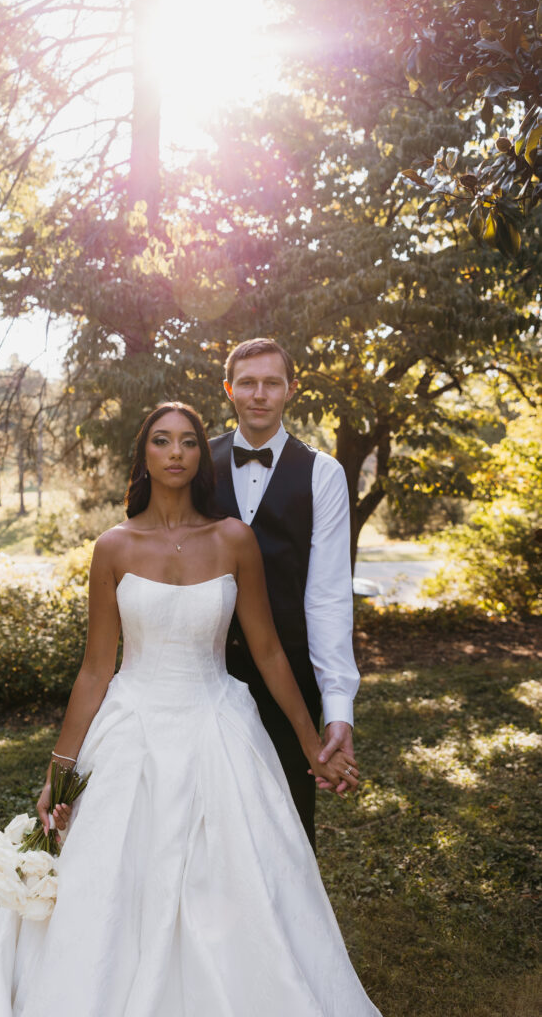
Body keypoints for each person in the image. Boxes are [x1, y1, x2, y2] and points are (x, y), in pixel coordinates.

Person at [0, 402, 381, 1017]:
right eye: (163, 441)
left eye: (189, 442)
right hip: (130, 727)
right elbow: (96, 668)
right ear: (144, 453)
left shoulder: (233, 539)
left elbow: (271, 652)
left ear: (202, 455)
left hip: (218, 726)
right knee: (108, 883)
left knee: (242, 878)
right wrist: (59, 771)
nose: (176, 453)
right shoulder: (112, 548)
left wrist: (309, 742)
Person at [210, 338, 360, 850]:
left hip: (290, 676)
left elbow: (329, 595)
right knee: (205, 814)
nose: (259, 394)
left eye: (271, 382)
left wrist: (338, 705)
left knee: (288, 824)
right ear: (229, 389)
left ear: (291, 390)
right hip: (204, 671)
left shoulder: (323, 473)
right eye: (247, 383)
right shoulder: (191, 464)